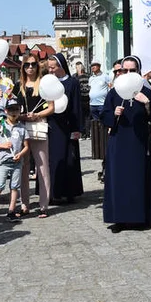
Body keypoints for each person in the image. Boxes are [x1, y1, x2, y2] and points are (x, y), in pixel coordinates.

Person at [101, 56, 151, 231]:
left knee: (138, 177)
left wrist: (147, 104)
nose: (127, 74)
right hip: (119, 141)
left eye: (132, 70)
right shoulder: (114, 92)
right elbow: (104, 116)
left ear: (138, 71)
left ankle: (140, 217)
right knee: (118, 179)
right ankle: (119, 218)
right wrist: (113, 114)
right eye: (124, 70)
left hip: (139, 141)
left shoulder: (146, 90)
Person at [15, 57, 53, 218]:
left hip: (38, 127)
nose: (30, 67)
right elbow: (12, 107)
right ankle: (25, 204)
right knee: (23, 168)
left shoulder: (44, 84)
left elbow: (51, 107)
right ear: (22, 67)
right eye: (27, 65)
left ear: (38, 67)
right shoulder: (18, 86)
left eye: (33, 64)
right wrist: (21, 115)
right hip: (21, 128)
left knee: (42, 166)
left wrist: (36, 114)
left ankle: (43, 205)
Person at [46, 53, 84, 205]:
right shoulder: (48, 82)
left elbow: (77, 106)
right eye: (48, 67)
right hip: (52, 124)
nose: (50, 70)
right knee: (53, 159)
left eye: (53, 67)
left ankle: (70, 191)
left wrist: (77, 128)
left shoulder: (72, 83)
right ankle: (53, 192)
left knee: (69, 159)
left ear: (61, 67)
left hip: (68, 125)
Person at [0, 99, 28, 222]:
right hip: (3, 162)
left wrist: (20, 154)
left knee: (14, 187)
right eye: (11, 109)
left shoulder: (22, 128)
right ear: (6, 111)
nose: (14, 112)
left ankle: (11, 211)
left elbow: (26, 146)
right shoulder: (0, 127)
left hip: (17, 162)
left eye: (16, 109)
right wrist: (2, 146)